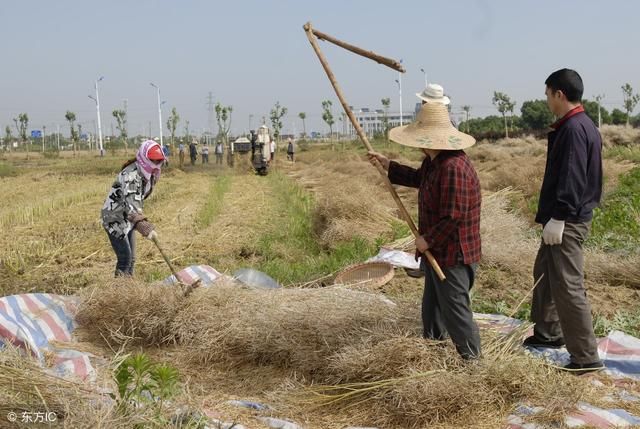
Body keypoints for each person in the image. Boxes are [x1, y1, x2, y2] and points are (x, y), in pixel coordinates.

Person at [368, 93, 482, 361]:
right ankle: (434, 353)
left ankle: (474, 364)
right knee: (432, 310)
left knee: (455, 312)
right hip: (438, 253)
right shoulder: (434, 162)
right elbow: (419, 179)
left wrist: (427, 240)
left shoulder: (453, 167)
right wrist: (389, 167)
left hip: (454, 254)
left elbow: (452, 218)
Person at [523, 69, 604, 374]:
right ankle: (549, 333)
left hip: (567, 220)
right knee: (544, 272)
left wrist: (559, 217)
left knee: (568, 286)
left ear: (559, 93)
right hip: (561, 218)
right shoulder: (578, 125)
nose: (546, 100)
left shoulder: (573, 129)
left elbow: (572, 178)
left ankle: (585, 357)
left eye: (547, 94)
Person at [101, 140, 165, 277]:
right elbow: (132, 207)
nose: (155, 164)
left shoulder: (148, 175)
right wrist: (146, 227)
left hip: (128, 218)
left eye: (158, 160)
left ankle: (129, 289)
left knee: (132, 258)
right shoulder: (130, 176)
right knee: (125, 258)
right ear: (144, 158)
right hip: (114, 218)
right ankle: (118, 292)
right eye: (152, 160)